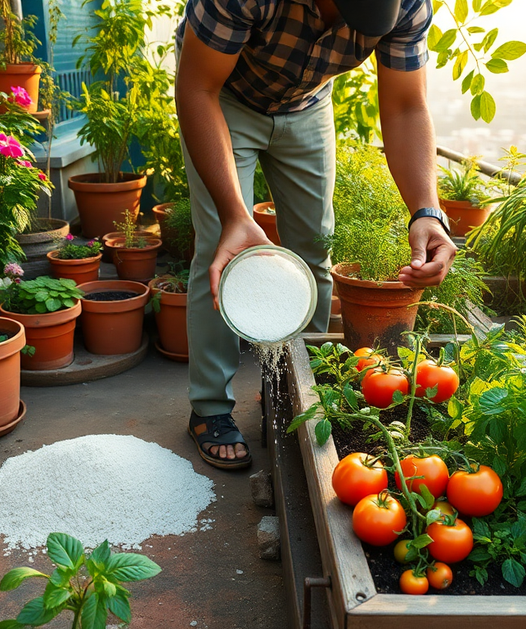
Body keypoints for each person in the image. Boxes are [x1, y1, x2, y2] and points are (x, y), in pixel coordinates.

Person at [175, 0, 456, 470]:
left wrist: (427, 211)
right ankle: (209, 409)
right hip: (222, 97)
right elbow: (197, 88)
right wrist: (235, 215)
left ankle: (291, 389)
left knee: (314, 251)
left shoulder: (409, 5)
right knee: (221, 254)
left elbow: (407, 105)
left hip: (307, 103)